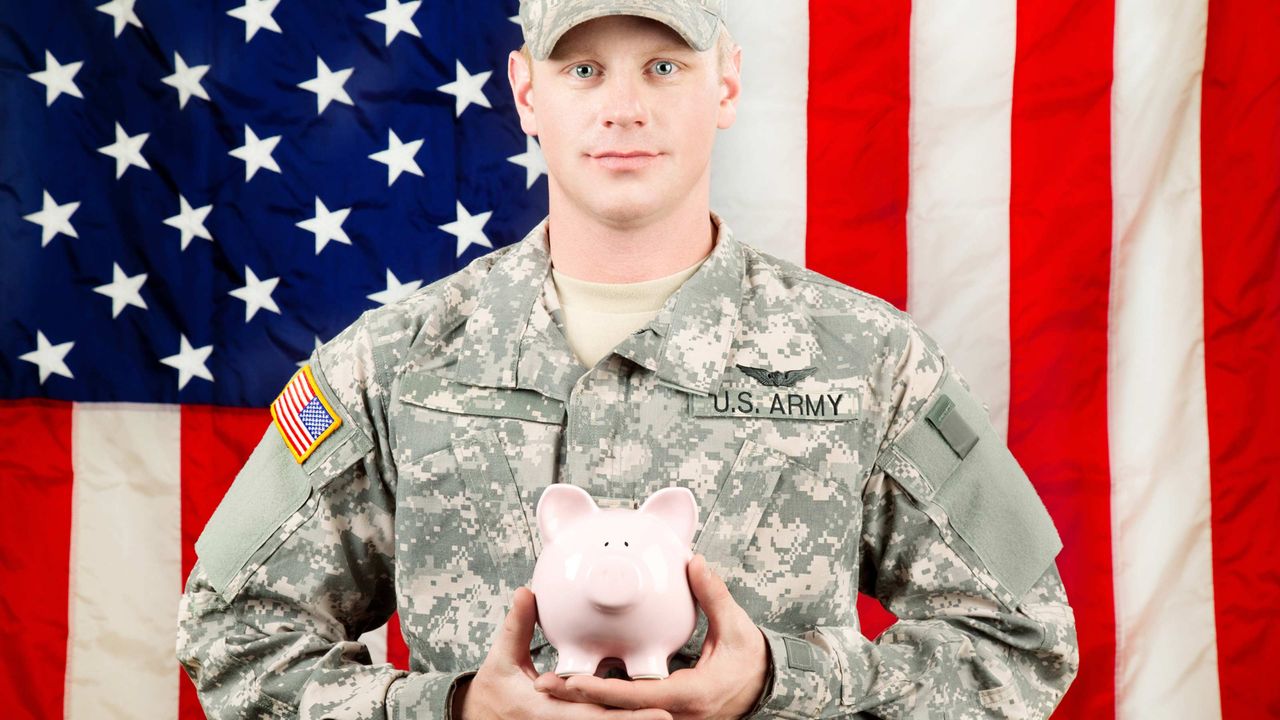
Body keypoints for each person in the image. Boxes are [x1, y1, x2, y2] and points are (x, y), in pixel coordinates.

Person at [176, 0, 1080, 717]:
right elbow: (233, 628)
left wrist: (777, 680)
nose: (623, 107)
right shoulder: (395, 364)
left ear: (725, 85)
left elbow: (1022, 635)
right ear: (528, 94)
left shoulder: (866, 362)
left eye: (664, 66)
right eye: (583, 69)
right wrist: (448, 710)